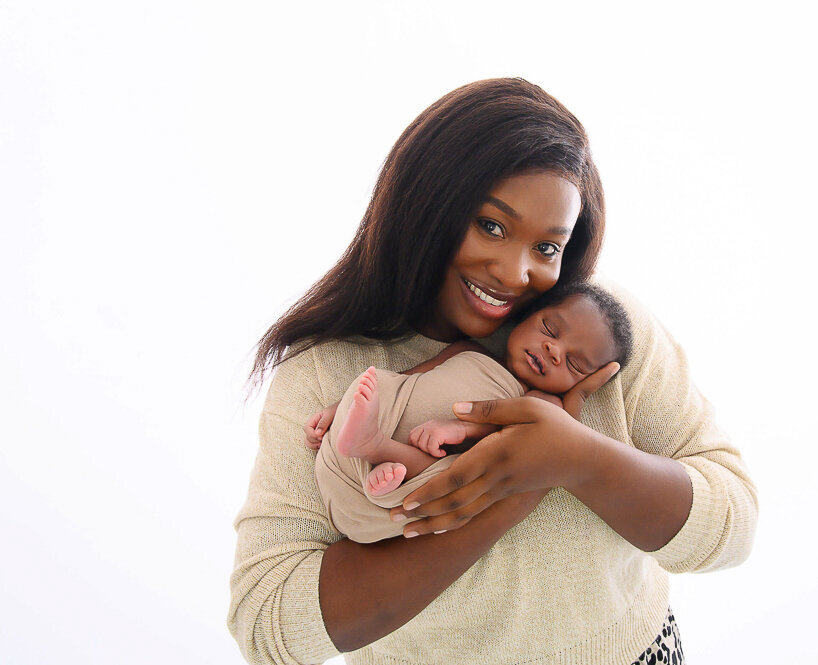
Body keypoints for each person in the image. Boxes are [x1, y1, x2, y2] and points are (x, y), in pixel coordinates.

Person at [228, 78, 757, 665]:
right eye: (493, 226)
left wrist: (580, 459)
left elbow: (733, 525)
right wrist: (508, 498)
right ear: (424, 205)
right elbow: (267, 624)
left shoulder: (596, 335)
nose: (514, 272)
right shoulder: (329, 375)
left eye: (548, 248)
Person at [309, 283, 634, 543]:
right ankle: (366, 441)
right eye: (549, 329)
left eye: (575, 364)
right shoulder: (467, 349)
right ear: (526, 316)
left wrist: (461, 429)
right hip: (339, 469)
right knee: (377, 380)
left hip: (384, 502)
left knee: (457, 473)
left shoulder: (544, 405)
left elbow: (505, 440)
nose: (554, 350)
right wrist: (338, 409)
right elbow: (407, 378)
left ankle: (375, 446)